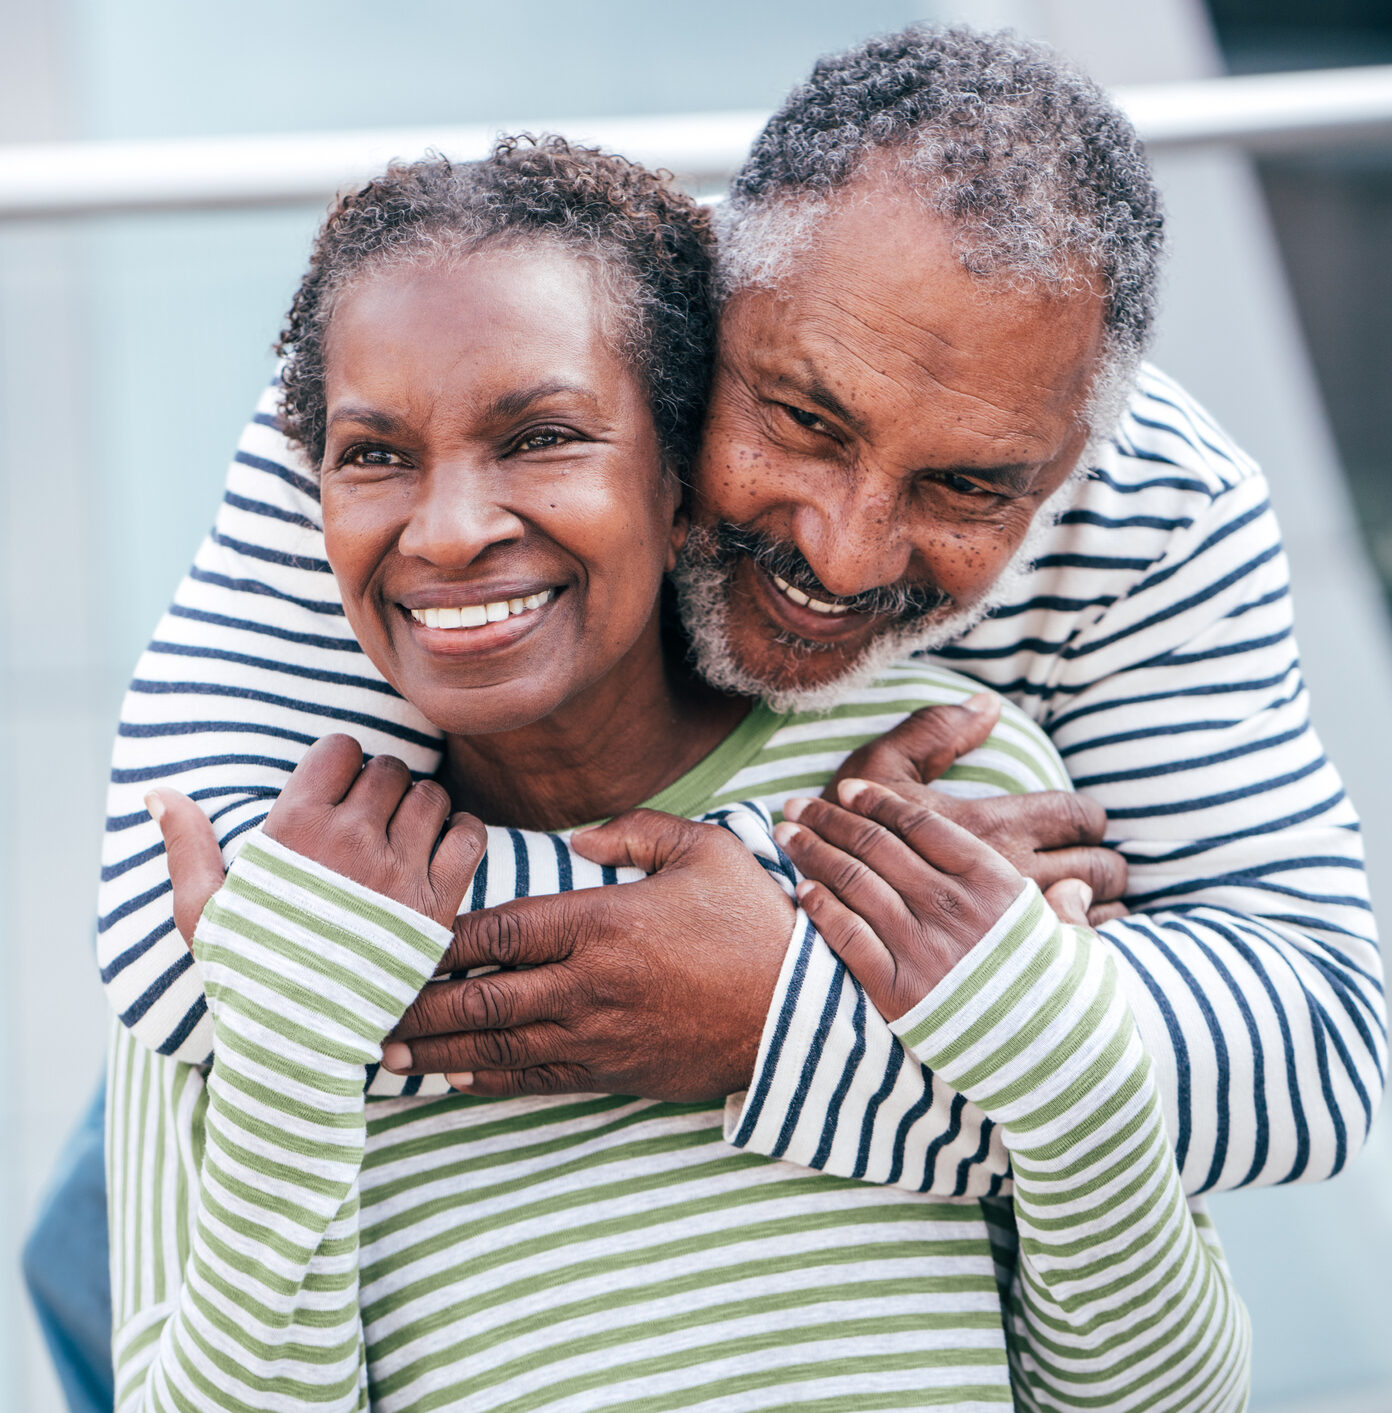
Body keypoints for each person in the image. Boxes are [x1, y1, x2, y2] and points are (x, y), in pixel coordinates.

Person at [108, 139, 1247, 1410]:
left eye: (541, 437)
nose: (446, 530)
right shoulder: (253, 920)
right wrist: (289, 1060)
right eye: (373, 456)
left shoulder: (958, 808)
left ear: (683, 476)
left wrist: (1059, 1055)